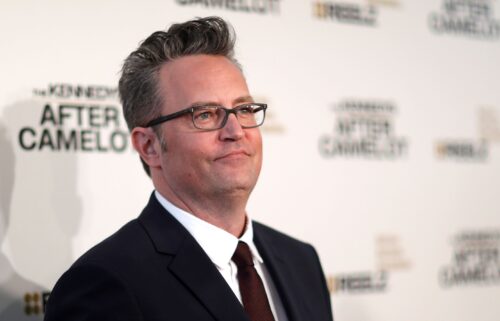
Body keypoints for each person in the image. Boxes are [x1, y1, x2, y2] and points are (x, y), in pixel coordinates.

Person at [44, 16, 333, 321]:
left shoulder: (301, 261)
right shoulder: (106, 284)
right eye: (205, 114)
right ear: (149, 146)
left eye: (244, 109)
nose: (235, 131)